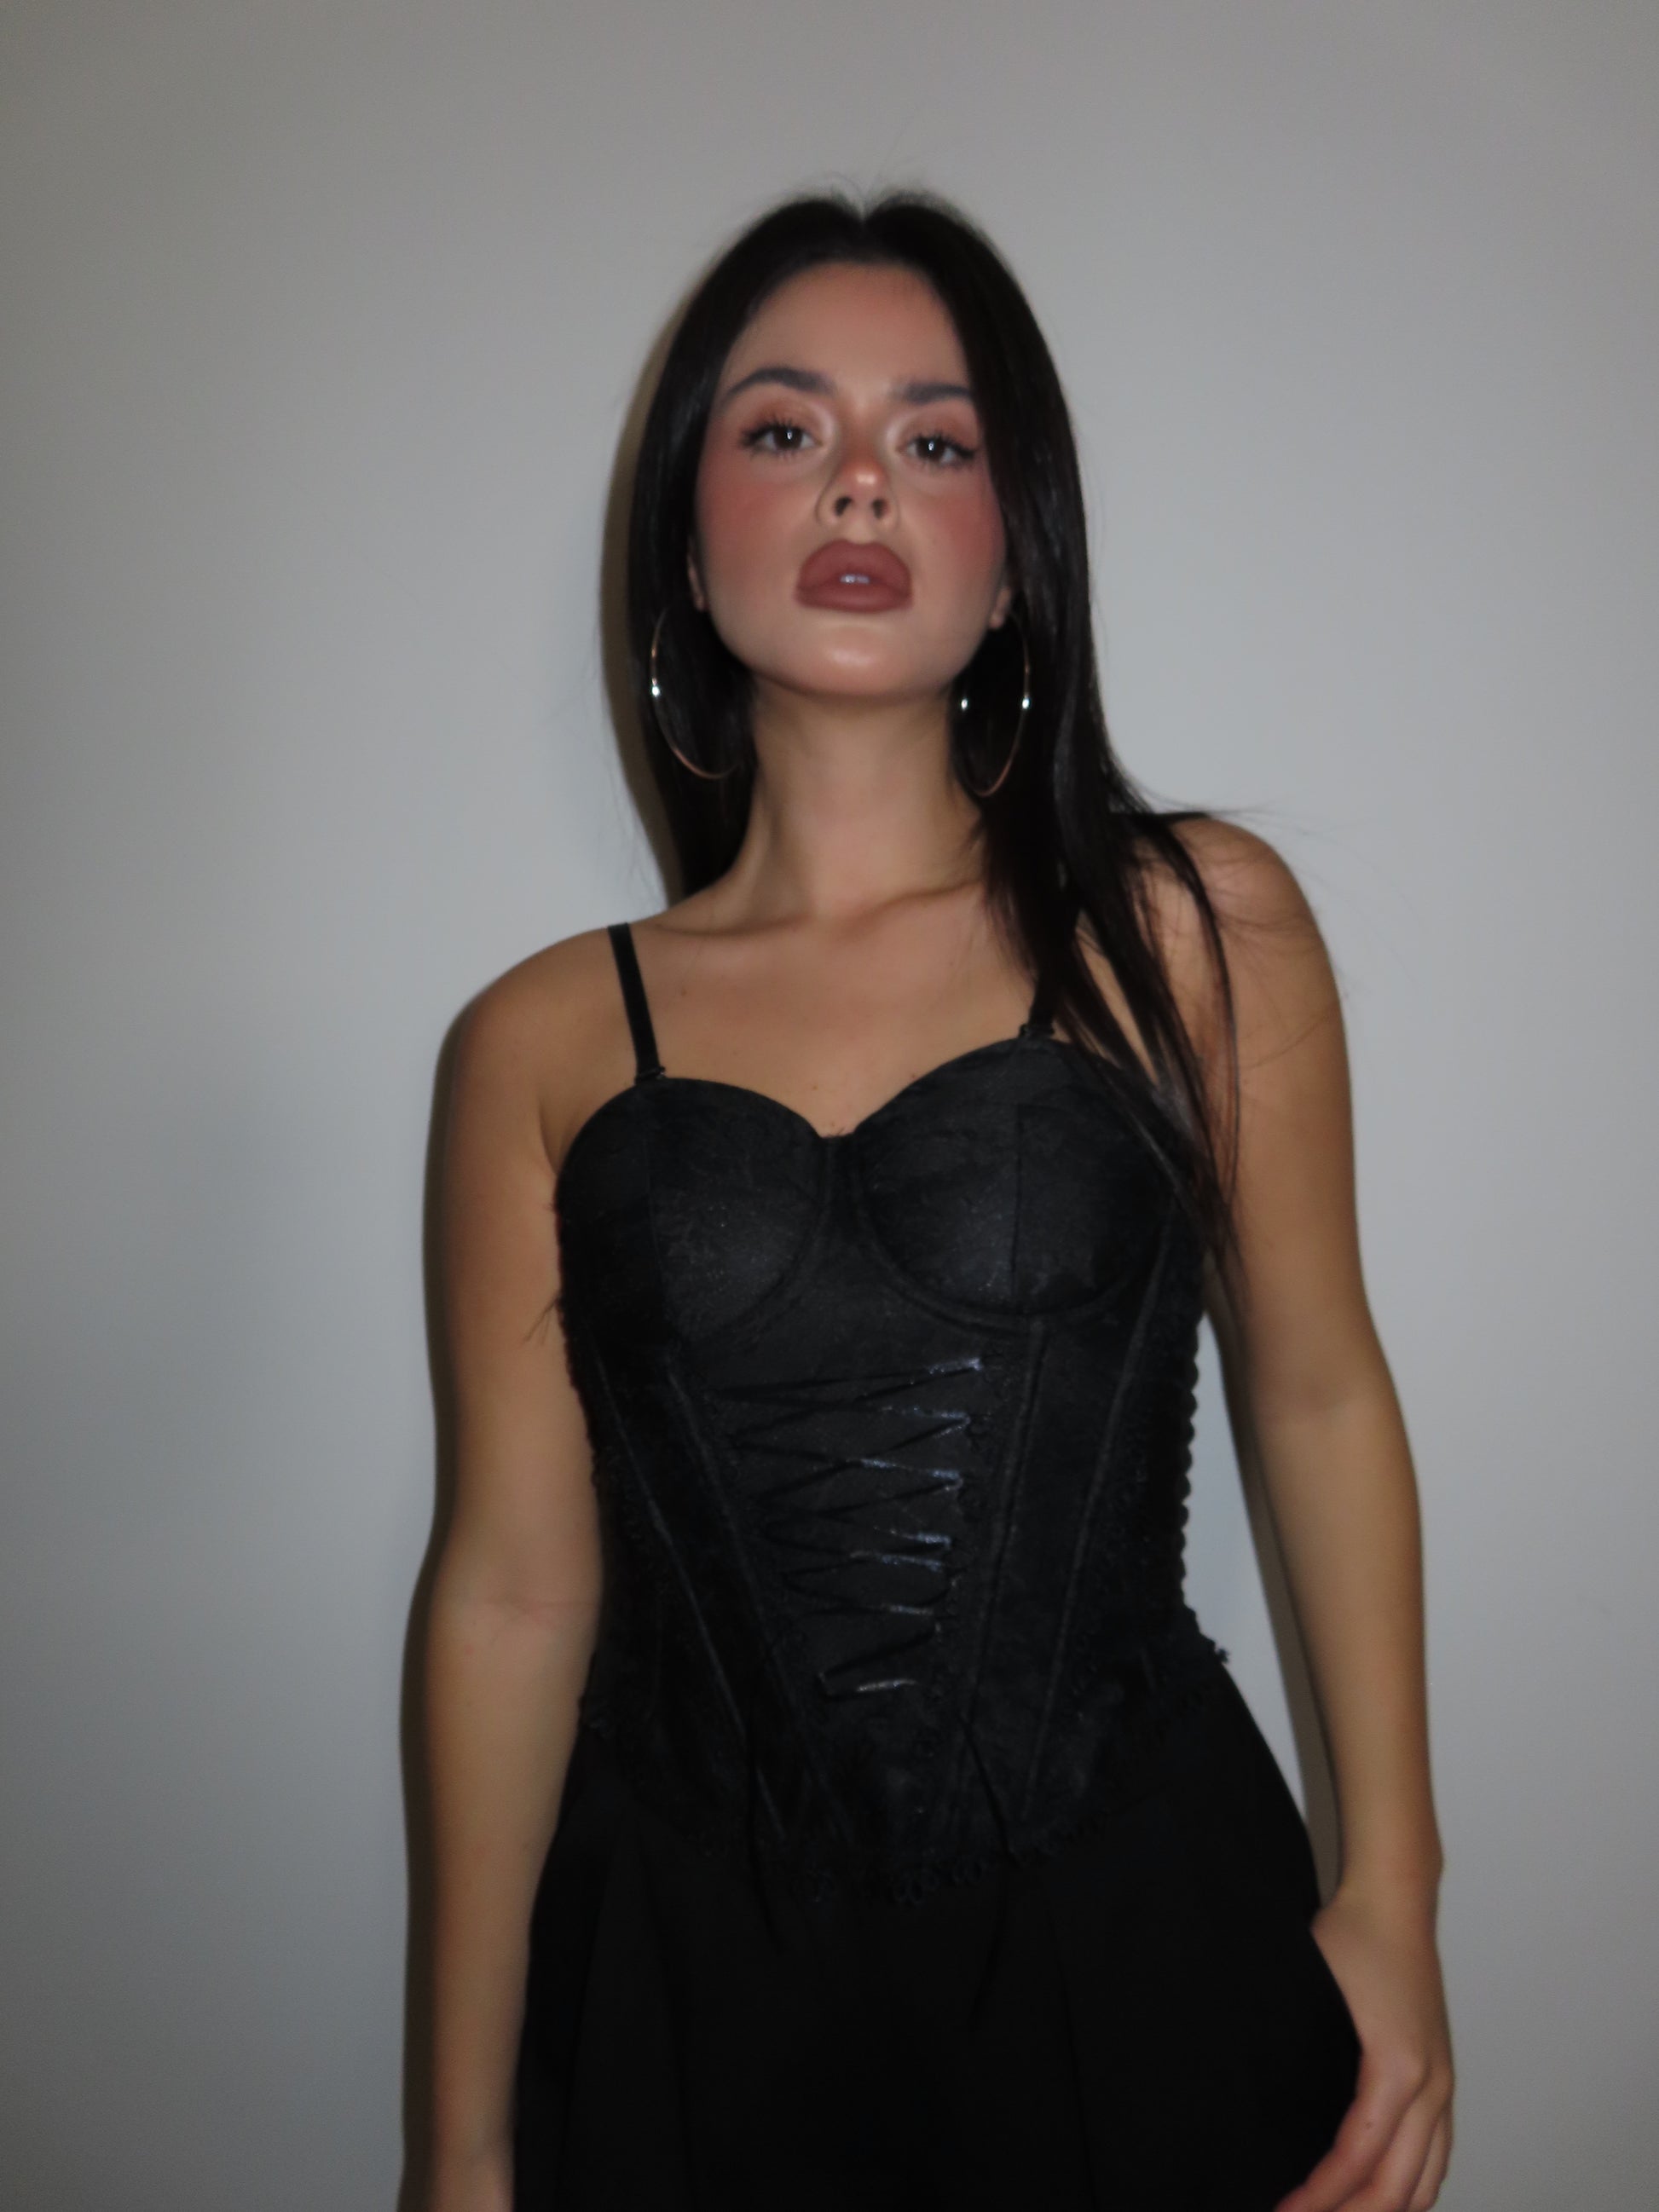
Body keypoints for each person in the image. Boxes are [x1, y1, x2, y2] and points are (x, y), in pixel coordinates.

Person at [419, 190, 1454, 2212]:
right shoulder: (535, 1038)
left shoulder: (1191, 925)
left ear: (1012, 559)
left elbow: (1319, 1392)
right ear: (685, 546)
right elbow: (512, 1589)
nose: (860, 479)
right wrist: (458, 2139)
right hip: (683, 1994)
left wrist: (1394, 1887)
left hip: (1136, 1947)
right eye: (783, 428)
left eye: (937, 437)